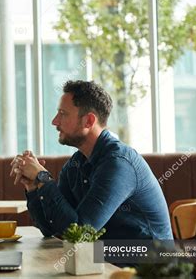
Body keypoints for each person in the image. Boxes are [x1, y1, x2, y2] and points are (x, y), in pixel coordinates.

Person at [10, 80, 173, 240]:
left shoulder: (118, 164)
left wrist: (43, 178)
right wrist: (33, 186)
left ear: (88, 121)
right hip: (104, 260)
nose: (54, 121)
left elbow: (82, 233)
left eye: (63, 114)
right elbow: (52, 228)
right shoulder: (75, 164)